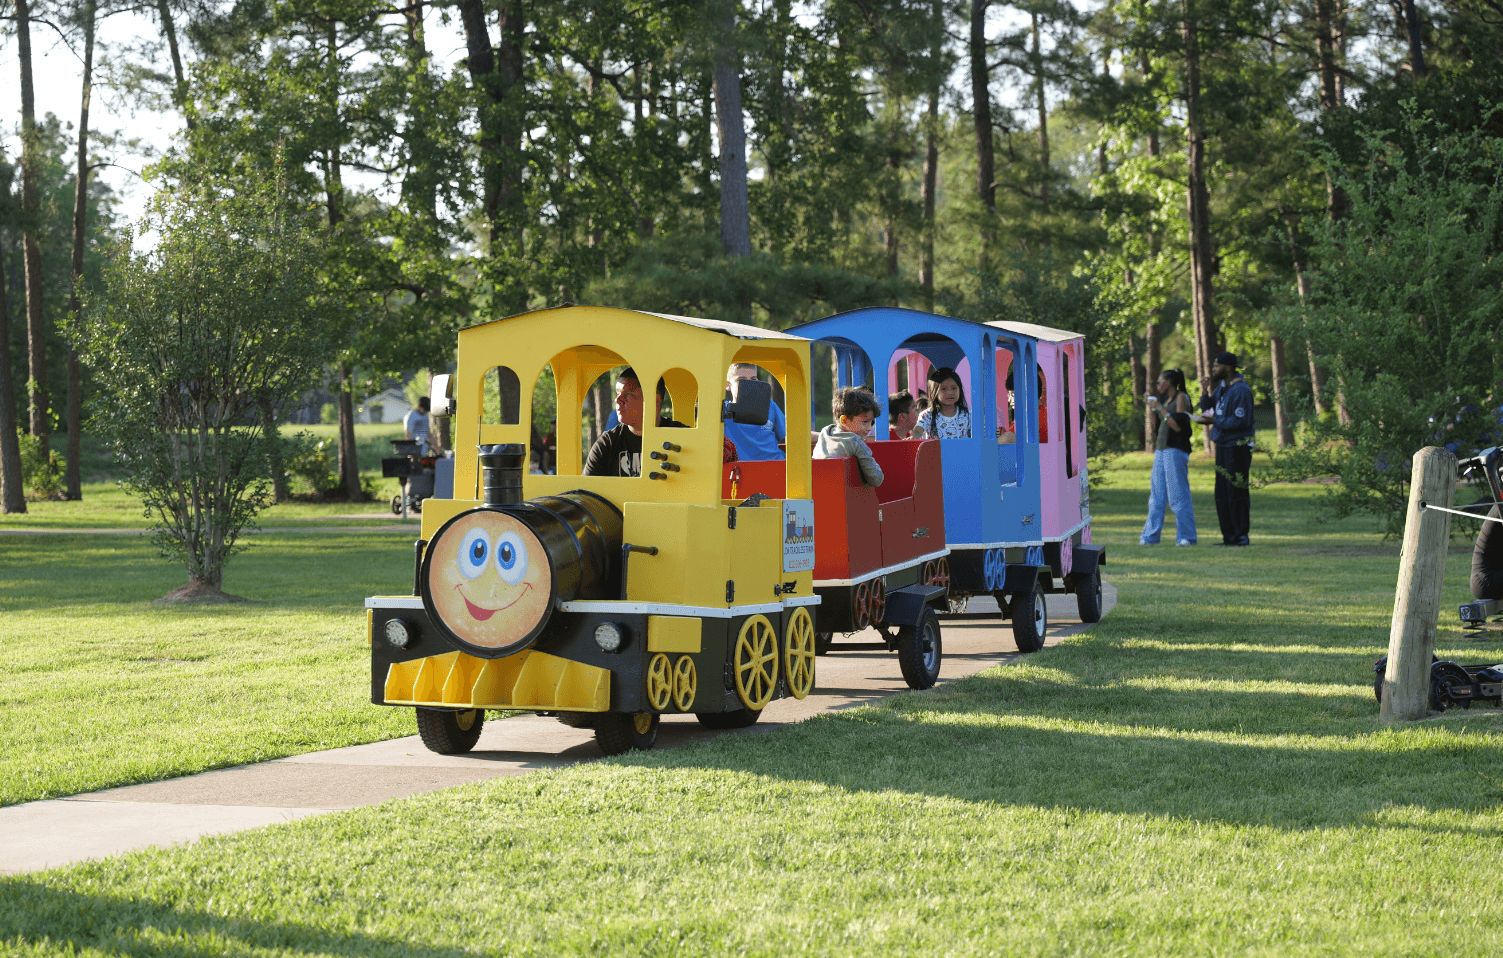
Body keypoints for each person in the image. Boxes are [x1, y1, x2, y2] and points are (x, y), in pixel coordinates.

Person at [1194, 351, 1255, 546]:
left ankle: (1241, 535)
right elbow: (1209, 409)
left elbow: (1240, 421)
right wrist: (1204, 391)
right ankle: (1228, 536)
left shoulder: (1240, 390)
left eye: (1216, 366)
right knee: (1221, 492)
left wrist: (1215, 420)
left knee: (1236, 490)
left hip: (1237, 446)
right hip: (1222, 444)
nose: (1212, 369)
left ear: (1228, 368)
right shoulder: (1223, 388)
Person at [582, 368, 685, 477]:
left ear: (654, 400)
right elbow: (586, 491)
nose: (617, 400)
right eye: (618, 393)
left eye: (627, 394)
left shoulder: (683, 437)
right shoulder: (607, 444)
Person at [1140, 369, 1197, 546]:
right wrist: (1152, 410)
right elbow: (1159, 427)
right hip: (1161, 450)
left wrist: (1160, 408)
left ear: (1169, 382)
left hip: (1175, 450)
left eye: (1160, 382)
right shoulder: (1166, 401)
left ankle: (1186, 536)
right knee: (1156, 496)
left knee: (1178, 495)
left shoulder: (1181, 398)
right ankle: (1150, 537)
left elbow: (1178, 426)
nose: (1157, 385)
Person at [813, 387, 883, 487]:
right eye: (865, 422)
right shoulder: (855, 442)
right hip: (843, 493)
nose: (869, 428)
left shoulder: (826, 431)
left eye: (871, 422)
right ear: (844, 421)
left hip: (818, 487)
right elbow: (876, 480)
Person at [722, 363, 787, 459]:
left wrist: (818, 436)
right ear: (728, 385)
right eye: (741, 380)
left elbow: (790, 433)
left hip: (776, 465)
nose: (749, 385)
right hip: (742, 470)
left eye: (753, 379)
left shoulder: (769, 406)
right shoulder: (722, 410)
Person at [913, 367, 971, 439]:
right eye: (943, 389)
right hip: (936, 450)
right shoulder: (927, 415)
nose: (950, 393)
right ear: (933, 392)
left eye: (954, 388)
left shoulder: (968, 414)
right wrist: (913, 437)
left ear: (960, 390)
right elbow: (918, 430)